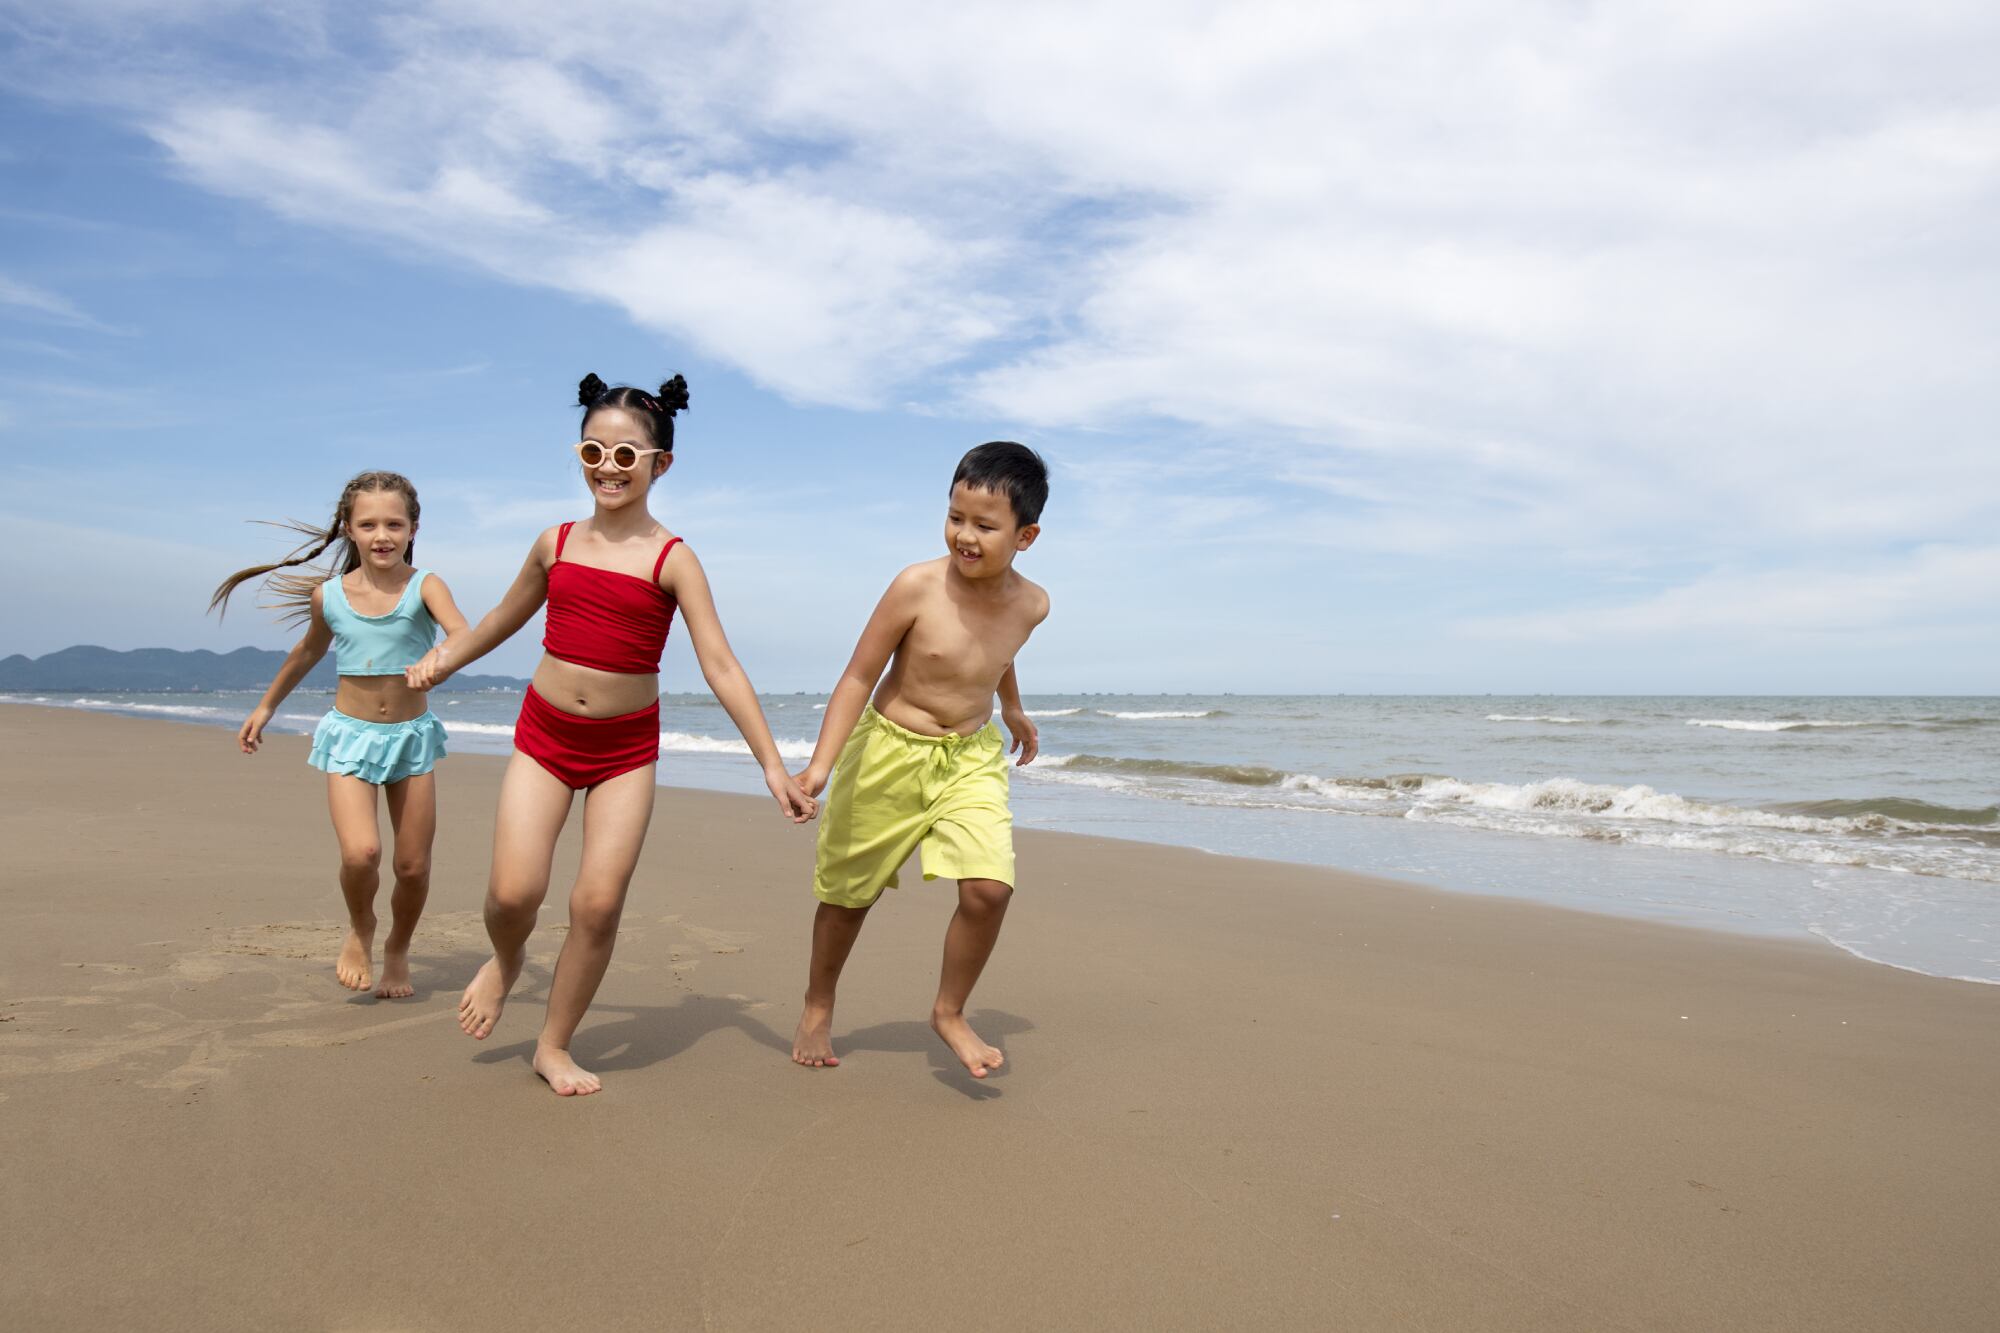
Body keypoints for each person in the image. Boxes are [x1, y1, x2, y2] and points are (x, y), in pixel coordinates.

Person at [406, 373, 814, 1096]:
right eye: (594, 450)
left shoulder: (673, 558)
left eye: (628, 455)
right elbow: (503, 619)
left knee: (596, 901)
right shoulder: (555, 542)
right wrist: (444, 657)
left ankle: (553, 1045)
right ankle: (505, 959)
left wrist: (772, 766)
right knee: (512, 894)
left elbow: (719, 664)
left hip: (625, 749)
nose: (608, 467)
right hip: (544, 734)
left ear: (662, 463)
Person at [790, 441, 1050, 1078]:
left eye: (984, 527)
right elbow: (858, 675)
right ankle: (818, 1003)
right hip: (888, 752)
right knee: (850, 896)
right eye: (955, 517)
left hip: (969, 757)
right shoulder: (916, 586)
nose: (965, 536)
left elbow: (998, 648)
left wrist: (1011, 707)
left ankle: (949, 1011)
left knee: (990, 889)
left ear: (1026, 536)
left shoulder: (1033, 604)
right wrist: (820, 766)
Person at [211, 471, 469, 999]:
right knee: (361, 854)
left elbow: (463, 634)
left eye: (394, 524)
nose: (382, 535)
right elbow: (307, 652)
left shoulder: (427, 586)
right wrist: (265, 707)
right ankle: (361, 927)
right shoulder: (328, 596)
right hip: (349, 736)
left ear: (413, 527)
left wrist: (434, 659)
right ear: (348, 529)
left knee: (412, 866)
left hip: (410, 736)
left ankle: (397, 947)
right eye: (369, 524)